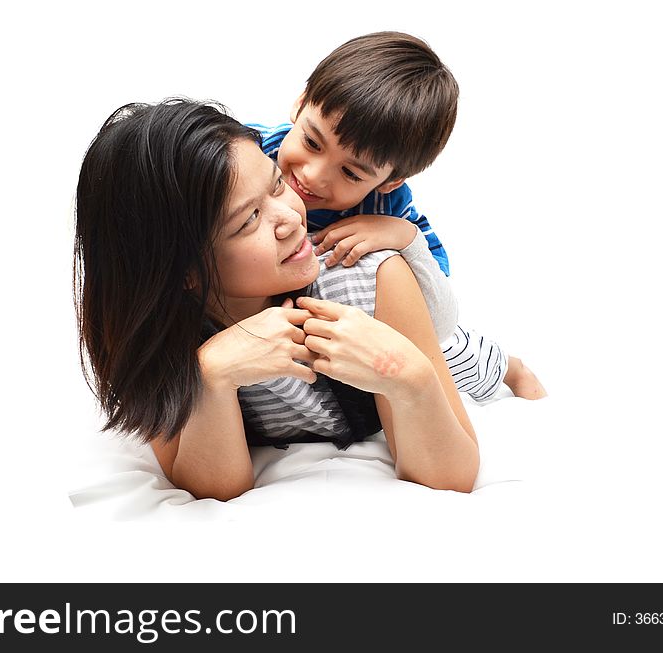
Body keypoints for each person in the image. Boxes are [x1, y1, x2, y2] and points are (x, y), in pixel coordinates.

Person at [74, 99, 479, 501]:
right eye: (249, 220)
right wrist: (212, 377)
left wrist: (410, 376)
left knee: (479, 363)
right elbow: (214, 489)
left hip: (449, 346)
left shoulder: (373, 280)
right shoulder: (158, 335)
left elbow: (452, 476)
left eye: (276, 184)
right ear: (184, 273)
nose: (291, 218)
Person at [248, 31, 547, 401]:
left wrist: (404, 236)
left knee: (436, 353)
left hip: (349, 312)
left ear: (389, 182)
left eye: (351, 173)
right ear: (301, 102)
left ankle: (509, 368)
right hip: (259, 293)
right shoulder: (250, 152)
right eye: (311, 143)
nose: (313, 175)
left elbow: (437, 319)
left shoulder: (389, 207)